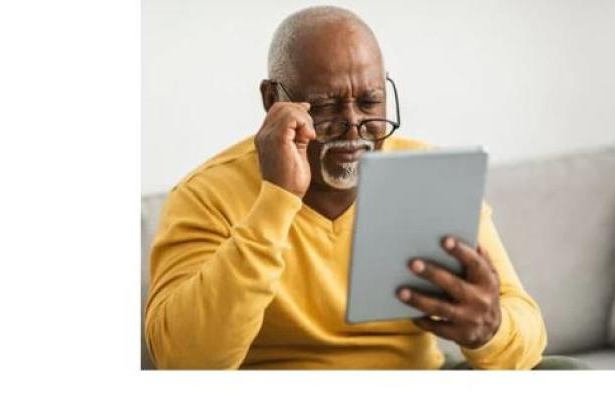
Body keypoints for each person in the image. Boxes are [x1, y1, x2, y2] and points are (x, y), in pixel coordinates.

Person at [144, 5, 586, 370]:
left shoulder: (428, 175)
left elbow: (525, 331)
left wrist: (490, 328)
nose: (354, 125)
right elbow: (184, 363)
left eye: (370, 101)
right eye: (325, 105)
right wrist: (276, 200)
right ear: (272, 101)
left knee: (569, 374)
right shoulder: (205, 195)